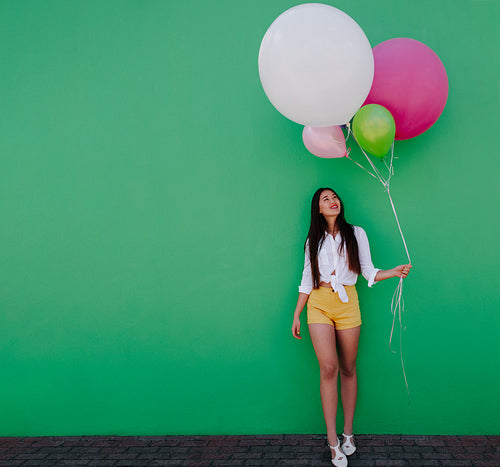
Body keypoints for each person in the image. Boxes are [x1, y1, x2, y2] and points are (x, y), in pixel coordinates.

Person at [291, 188, 411, 467]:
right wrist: (297, 314)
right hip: (319, 302)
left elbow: (367, 270)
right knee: (328, 367)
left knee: (348, 367)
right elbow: (307, 280)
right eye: (326, 199)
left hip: (348, 303)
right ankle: (333, 442)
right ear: (318, 209)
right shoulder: (313, 240)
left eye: (335, 198)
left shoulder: (356, 233)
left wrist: (392, 272)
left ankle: (348, 434)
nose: (333, 202)